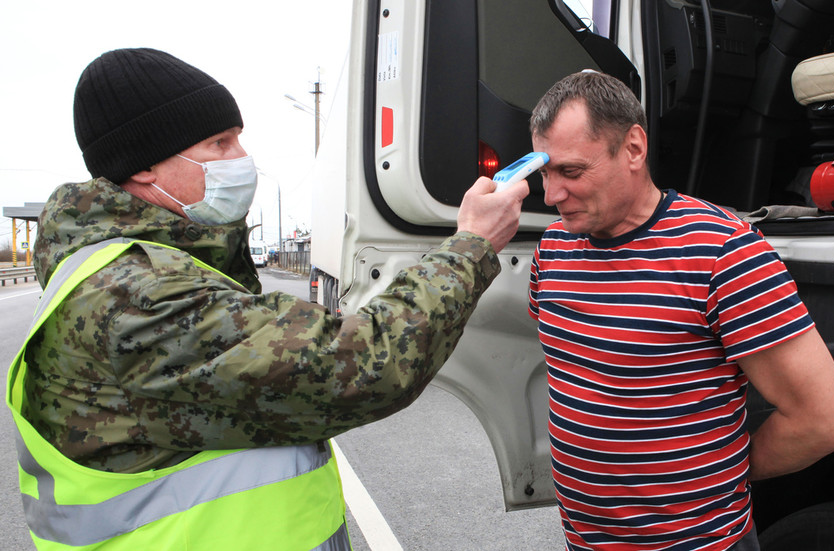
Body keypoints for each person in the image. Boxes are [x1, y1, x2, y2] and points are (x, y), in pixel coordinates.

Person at [6, 48, 529, 550]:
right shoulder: (134, 296)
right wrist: (471, 246)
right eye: (219, 144)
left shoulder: (147, 266)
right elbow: (360, 366)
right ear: (144, 166)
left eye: (238, 139)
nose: (242, 159)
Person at [527, 71, 834, 550]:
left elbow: (825, 420)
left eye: (572, 172)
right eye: (545, 173)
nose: (552, 195)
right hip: (585, 541)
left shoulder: (723, 251)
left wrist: (722, 478)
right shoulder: (554, 247)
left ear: (634, 148)